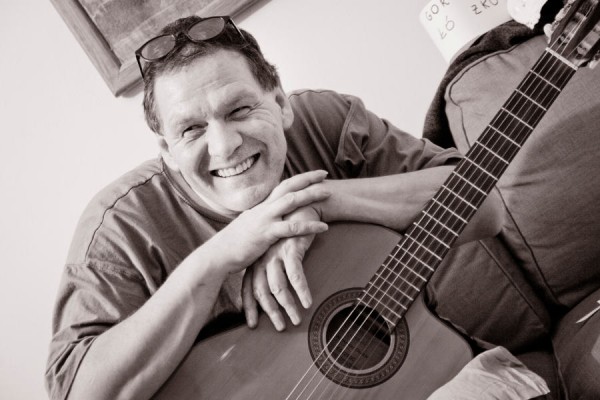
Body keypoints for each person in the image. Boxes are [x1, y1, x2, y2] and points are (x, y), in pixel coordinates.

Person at [45, 15, 503, 400]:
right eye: (191, 130)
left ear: (280, 103)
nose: (224, 145)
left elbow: (487, 209)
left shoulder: (326, 122)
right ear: (167, 151)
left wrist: (318, 202)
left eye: (239, 110)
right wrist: (217, 257)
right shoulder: (120, 226)